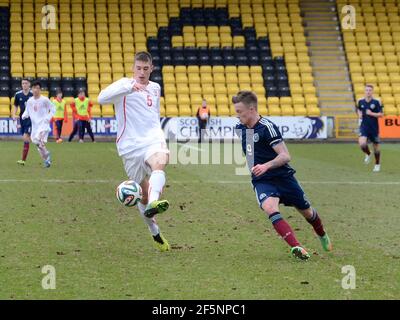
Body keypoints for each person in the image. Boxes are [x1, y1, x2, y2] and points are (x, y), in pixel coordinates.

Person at [233, 91, 332, 260]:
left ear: (251, 109)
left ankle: (322, 234)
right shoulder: (239, 128)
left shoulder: (267, 128)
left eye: (239, 111)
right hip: (262, 180)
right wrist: (256, 168)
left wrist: (266, 165)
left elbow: (285, 155)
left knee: (307, 213)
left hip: (283, 178)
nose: (237, 115)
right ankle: (297, 247)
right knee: (270, 208)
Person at [98, 51, 170, 252]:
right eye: (138, 68)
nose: (142, 72)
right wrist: (128, 87)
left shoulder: (155, 88)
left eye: (146, 69)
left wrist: (157, 134)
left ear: (151, 69)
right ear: (133, 68)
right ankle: (154, 231)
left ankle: (155, 202)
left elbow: (153, 113)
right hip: (129, 147)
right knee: (142, 195)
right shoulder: (124, 85)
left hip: (152, 139)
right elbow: (101, 98)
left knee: (160, 159)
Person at [21, 81, 55, 168]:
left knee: (38, 140)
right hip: (35, 126)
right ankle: (47, 159)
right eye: (34, 88)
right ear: (31, 89)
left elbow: (53, 109)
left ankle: (47, 155)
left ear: (40, 89)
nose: (36, 90)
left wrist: (48, 118)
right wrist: (24, 115)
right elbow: (27, 110)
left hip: (43, 125)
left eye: (37, 88)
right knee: (37, 143)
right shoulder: (30, 101)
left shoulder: (44, 100)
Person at [356, 84, 384, 172]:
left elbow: (381, 114)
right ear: (364, 91)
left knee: (376, 147)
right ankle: (368, 153)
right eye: (366, 90)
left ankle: (377, 164)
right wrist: (359, 114)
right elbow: (359, 109)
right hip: (364, 126)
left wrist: (371, 113)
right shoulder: (360, 101)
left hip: (374, 127)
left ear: (372, 92)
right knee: (362, 144)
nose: (368, 92)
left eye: (370, 90)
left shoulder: (377, 102)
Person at [12, 78, 33, 165]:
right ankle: (23, 160)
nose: (24, 85)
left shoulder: (33, 94)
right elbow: (15, 105)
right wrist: (13, 114)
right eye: (22, 83)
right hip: (22, 119)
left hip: (31, 119)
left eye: (26, 83)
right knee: (26, 139)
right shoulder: (18, 94)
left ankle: (23, 160)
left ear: (29, 84)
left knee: (25, 137)